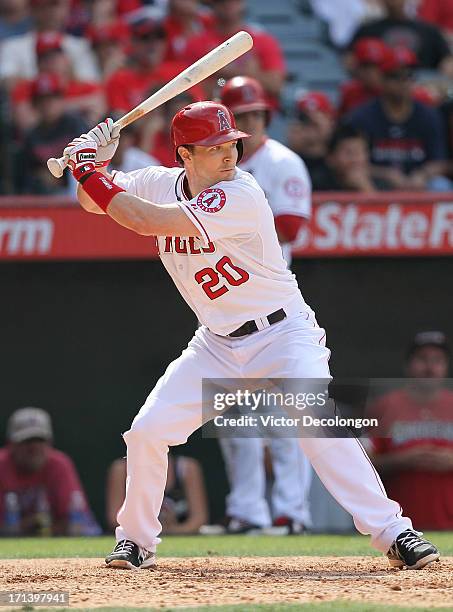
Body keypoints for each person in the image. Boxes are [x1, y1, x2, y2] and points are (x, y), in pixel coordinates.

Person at [63, 102, 439, 571]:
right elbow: (93, 202)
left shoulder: (240, 193)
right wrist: (91, 165)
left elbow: (145, 221)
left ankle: (395, 532)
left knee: (318, 424)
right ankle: (136, 541)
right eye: (214, 147)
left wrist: (85, 168)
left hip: (283, 334)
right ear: (184, 154)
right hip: (217, 344)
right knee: (146, 432)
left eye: (231, 144)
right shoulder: (157, 182)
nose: (228, 154)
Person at [218, 76, 312, 534]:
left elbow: (291, 226)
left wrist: (229, 228)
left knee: (285, 416)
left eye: (256, 114)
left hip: (274, 303)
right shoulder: (215, 170)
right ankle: (246, 511)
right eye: (242, 116)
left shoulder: (282, 162)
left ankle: (291, 512)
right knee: (238, 417)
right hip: (229, 306)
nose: (251, 123)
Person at [367, 331, 453, 530]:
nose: (430, 367)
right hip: (399, 524)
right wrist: (402, 459)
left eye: (437, 360)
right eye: (422, 359)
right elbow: (361, 464)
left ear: (446, 366)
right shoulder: (386, 406)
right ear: (408, 365)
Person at [346, 47, 449, 190]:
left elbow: (441, 161)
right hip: (378, 183)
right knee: (357, 178)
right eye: (395, 76)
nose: (403, 83)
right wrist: (386, 174)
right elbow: (352, 163)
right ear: (382, 78)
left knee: (440, 185)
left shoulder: (429, 115)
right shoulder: (362, 116)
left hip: (420, 184)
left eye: (409, 76)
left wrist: (423, 174)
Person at [0, 407, 100, 536]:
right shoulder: (2, 465)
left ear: (50, 443)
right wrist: (30, 524)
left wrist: (39, 524)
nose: (34, 448)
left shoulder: (59, 464)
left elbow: (74, 518)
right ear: (11, 444)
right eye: (27, 441)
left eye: (40, 440)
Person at [185, 0, 286, 108]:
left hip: (256, 114)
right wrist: (249, 74)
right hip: (212, 115)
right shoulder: (196, 44)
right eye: (223, 2)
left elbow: (276, 85)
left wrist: (221, 70)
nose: (229, 4)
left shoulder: (263, 40)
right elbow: (190, 90)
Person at [15, 72, 88, 195]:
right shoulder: (32, 136)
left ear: (61, 100)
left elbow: (87, 158)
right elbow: (25, 175)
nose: (48, 104)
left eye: (52, 98)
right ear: (35, 104)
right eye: (42, 100)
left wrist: (59, 177)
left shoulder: (75, 124)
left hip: (78, 190)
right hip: (46, 195)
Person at [0, 0, 99, 88]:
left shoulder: (80, 46)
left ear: (66, 8)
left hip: (72, 104)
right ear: (33, 10)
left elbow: (91, 84)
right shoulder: (12, 45)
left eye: (55, 4)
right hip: (31, 105)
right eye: (43, 5)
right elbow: (8, 81)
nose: (50, 11)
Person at [106, 452, 208, 534]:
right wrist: (147, 532)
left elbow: (198, 519)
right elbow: (115, 520)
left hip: (179, 539)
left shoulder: (187, 467)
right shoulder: (122, 469)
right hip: (138, 541)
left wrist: (172, 530)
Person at [348, 0, 453, 77]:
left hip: (422, 83)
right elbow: (349, 59)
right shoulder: (368, 30)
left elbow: (448, 61)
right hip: (380, 85)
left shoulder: (428, 30)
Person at [313, 124, 392, 192]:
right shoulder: (316, 184)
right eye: (349, 153)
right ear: (330, 158)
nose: (355, 159)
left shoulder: (382, 184)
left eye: (360, 152)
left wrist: (366, 188)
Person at [286, 91, 336, 187]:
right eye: (305, 119)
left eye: (320, 115)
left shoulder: (340, 151)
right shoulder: (286, 157)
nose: (310, 126)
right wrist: (292, 148)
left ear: (331, 121)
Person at [339, 37, 388, 116]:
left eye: (377, 66)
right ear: (357, 67)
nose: (371, 73)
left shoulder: (395, 91)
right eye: (366, 66)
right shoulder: (349, 92)